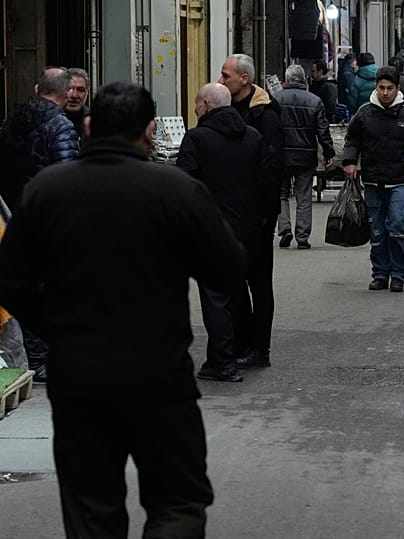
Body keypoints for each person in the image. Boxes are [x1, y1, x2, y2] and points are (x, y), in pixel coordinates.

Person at [0, 81, 245, 538]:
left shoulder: (47, 190)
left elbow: (10, 280)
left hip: (80, 374)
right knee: (177, 500)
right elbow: (229, 268)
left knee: (91, 508)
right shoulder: (177, 190)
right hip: (159, 371)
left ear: (89, 127)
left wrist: (55, 325)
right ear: (151, 131)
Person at [177, 82, 266, 382]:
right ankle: (243, 348)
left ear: (207, 106)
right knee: (239, 291)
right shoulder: (252, 137)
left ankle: (223, 361)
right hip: (248, 228)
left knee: (215, 297)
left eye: (197, 102)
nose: (194, 107)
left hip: (211, 228)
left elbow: (184, 185)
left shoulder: (197, 139)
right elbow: (265, 181)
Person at [0, 66, 80, 383]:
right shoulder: (60, 126)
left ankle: (32, 356)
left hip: (11, 215)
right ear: (63, 93)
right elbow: (67, 178)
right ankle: (43, 358)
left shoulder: (11, 121)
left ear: (37, 89)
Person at [342, 66, 404, 293]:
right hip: (373, 181)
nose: (385, 93)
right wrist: (349, 161)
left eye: (390, 88)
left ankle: (398, 273)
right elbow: (352, 140)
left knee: (397, 225)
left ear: (397, 89)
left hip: (400, 182)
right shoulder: (364, 113)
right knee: (377, 230)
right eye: (381, 88)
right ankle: (380, 273)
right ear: (376, 88)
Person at [217, 53, 284, 367]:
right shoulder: (227, 108)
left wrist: (265, 216)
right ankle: (243, 341)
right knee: (234, 280)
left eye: (226, 76)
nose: (221, 81)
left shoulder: (264, 114)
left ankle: (260, 348)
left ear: (244, 79)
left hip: (256, 214)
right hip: (232, 209)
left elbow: (271, 167)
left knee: (258, 282)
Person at [274, 64, 335, 249]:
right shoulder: (314, 101)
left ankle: (285, 229)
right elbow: (322, 129)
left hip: (281, 155)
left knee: (281, 194)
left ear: (286, 79)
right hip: (305, 156)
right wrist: (328, 151)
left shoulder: (275, 100)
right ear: (304, 80)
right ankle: (302, 237)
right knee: (304, 196)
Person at [64, 67, 90, 143]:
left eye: (80, 90)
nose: (74, 95)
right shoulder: (48, 122)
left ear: (87, 93)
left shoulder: (95, 123)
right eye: (69, 89)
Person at [309, 59, 338, 123]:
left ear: (320, 71)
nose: (311, 73)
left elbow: (330, 108)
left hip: (325, 121)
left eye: (313, 71)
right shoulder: (316, 84)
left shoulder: (329, 86)